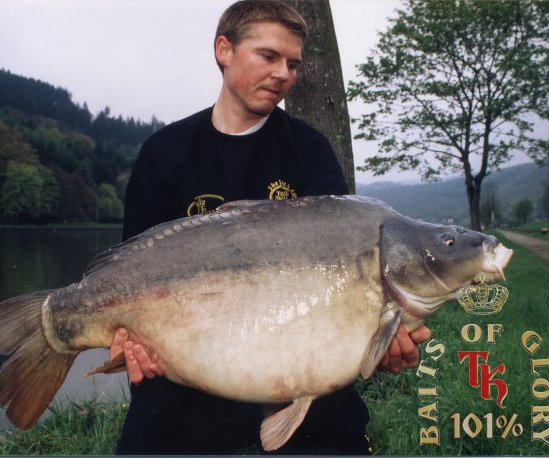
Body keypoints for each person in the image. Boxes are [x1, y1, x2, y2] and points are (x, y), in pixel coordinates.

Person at [110, 0, 431, 454]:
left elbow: (343, 287)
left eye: (293, 64)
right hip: (186, 387)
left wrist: (374, 344)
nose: (283, 74)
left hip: (304, 379)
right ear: (224, 50)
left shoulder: (309, 151)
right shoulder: (164, 153)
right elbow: (128, 273)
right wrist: (127, 339)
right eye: (269, 56)